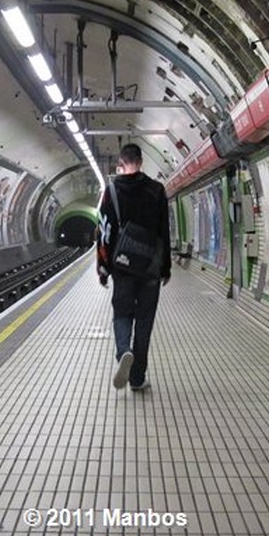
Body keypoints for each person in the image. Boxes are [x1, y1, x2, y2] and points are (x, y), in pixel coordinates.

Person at [96, 143, 171, 391]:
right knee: (145, 322)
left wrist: (103, 266)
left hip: (123, 267)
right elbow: (164, 232)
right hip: (150, 267)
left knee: (122, 314)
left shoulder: (112, 191)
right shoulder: (157, 190)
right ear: (141, 161)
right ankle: (137, 378)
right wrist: (165, 268)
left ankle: (123, 352)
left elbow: (104, 231)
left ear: (121, 162)